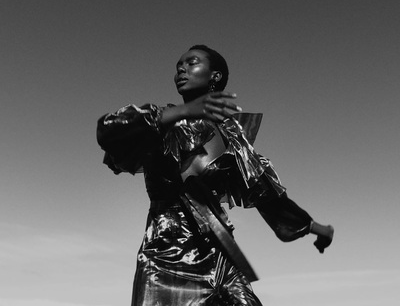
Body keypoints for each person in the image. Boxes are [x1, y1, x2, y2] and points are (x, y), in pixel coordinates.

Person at [96, 45, 334, 306]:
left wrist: (320, 230)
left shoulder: (234, 138)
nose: (181, 69)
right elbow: (108, 130)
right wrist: (182, 112)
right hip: (167, 257)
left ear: (215, 76)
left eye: (192, 63)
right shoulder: (161, 125)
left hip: (221, 254)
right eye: (178, 66)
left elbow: (269, 198)